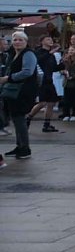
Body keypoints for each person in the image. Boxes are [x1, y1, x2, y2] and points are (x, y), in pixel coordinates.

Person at [2, 32, 39, 161]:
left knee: (19, 119)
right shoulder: (13, 54)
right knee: (16, 119)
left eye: (20, 40)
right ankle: (20, 146)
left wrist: (8, 78)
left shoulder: (28, 54)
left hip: (23, 91)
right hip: (13, 91)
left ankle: (25, 148)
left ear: (26, 41)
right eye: (15, 40)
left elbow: (27, 72)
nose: (17, 42)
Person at [26, 35, 60, 133]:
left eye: (51, 39)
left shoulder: (51, 55)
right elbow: (40, 60)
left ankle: (46, 124)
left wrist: (63, 64)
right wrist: (50, 52)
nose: (51, 40)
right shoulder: (38, 52)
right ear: (42, 42)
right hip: (41, 81)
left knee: (51, 103)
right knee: (42, 102)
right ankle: (28, 118)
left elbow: (53, 68)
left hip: (49, 80)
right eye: (48, 39)